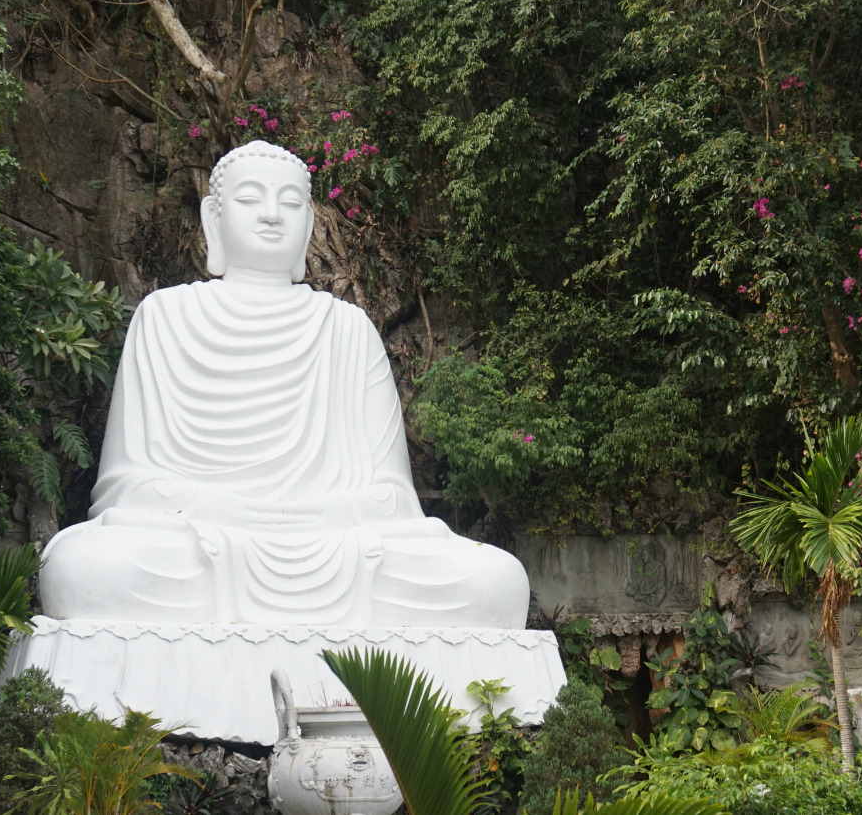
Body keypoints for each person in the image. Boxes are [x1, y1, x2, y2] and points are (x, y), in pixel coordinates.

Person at [38, 140, 529, 628]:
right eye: (250, 200)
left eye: (291, 204)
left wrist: (317, 516)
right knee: (84, 571)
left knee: (495, 582)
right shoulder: (165, 317)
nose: (272, 215)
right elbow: (126, 487)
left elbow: (392, 498)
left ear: (310, 224)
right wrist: (229, 510)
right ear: (214, 219)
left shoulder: (347, 329)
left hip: (338, 543)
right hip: (199, 539)